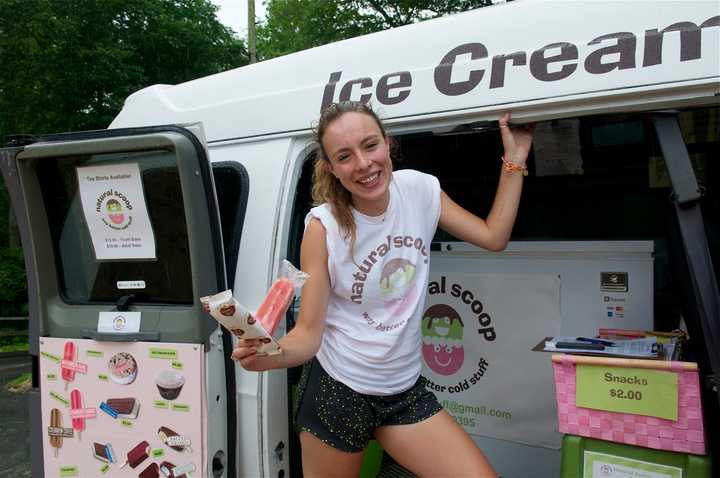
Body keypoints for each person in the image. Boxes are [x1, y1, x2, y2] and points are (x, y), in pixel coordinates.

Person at [231, 101, 534, 478]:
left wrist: (515, 158)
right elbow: (308, 334)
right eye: (345, 156)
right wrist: (272, 355)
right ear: (332, 169)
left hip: (403, 392)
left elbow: (494, 236)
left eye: (370, 145)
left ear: (388, 144)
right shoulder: (323, 228)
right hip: (338, 392)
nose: (362, 164)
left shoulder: (420, 191)